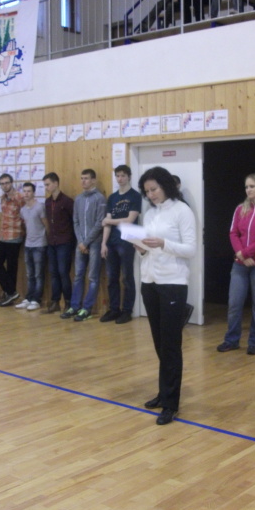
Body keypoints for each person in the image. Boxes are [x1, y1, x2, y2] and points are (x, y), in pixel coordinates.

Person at [137, 166, 196, 426]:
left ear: (165, 186)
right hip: (149, 281)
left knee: (171, 345)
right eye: (147, 191)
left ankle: (171, 403)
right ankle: (164, 392)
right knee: (159, 343)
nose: (151, 195)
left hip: (173, 282)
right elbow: (146, 248)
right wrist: (140, 247)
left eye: (154, 189)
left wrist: (163, 243)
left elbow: (191, 249)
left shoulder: (182, 211)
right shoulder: (150, 213)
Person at [216, 173, 255, 355]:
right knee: (234, 303)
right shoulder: (240, 209)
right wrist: (241, 255)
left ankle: (254, 342)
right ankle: (232, 340)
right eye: (246, 187)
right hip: (240, 264)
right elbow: (233, 233)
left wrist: (246, 253)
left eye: (252, 186)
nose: (248, 190)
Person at [60, 169, 106, 322]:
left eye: (86, 178)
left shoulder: (100, 198)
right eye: (81, 178)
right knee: (78, 275)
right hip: (80, 244)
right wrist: (81, 242)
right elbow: (76, 221)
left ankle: (87, 308)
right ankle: (74, 306)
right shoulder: (78, 199)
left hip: (95, 243)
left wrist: (86, 242)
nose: (83, 181)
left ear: (93, 180)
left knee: (92, 276)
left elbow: (100, 222)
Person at [100, 165, 142, 324]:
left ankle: (127, 311)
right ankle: (114, 309)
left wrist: (108, 221)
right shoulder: (112, 197)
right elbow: (107, 223)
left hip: (127, 241)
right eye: (117, 175)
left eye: (123, 175)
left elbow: (130, 220)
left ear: (129, 177)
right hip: (112, 242)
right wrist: (104, 243)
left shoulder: (135, 196)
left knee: (127, 277)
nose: (120, 178)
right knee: (112, 278)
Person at [42, 172, 75, 314]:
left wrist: (72, 241)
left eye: (48, 184)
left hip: (64, 242)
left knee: (63, 272)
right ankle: (55, 302)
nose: (46, 187)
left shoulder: (67, 201)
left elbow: (74, 221)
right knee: (53, 273)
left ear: (56, 183)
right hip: (52, 242)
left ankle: (68, 302)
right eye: (45, 185)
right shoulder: (48, 202)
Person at [0, 174, 26, 307]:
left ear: (12, 183)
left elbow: (25, 216)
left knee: (12, 267)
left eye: (6, 183)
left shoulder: (20, 197)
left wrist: (23, 231)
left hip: (15, 235)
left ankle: (10, 293)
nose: (4, 186)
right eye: (2, 184)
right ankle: (10, 292)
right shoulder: (3, 198)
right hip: (3, 235)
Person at [15, 182, 49, 311]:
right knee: (30, 274)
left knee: (38, 274)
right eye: (24, 191)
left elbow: (46, 225)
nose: (26, 194)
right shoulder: (23, 210)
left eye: (29, 191)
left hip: (39, 244)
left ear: (34, 193)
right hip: (28, 244)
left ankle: (36, 299)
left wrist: (46, 239)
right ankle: (28, 298)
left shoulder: (39, 207)